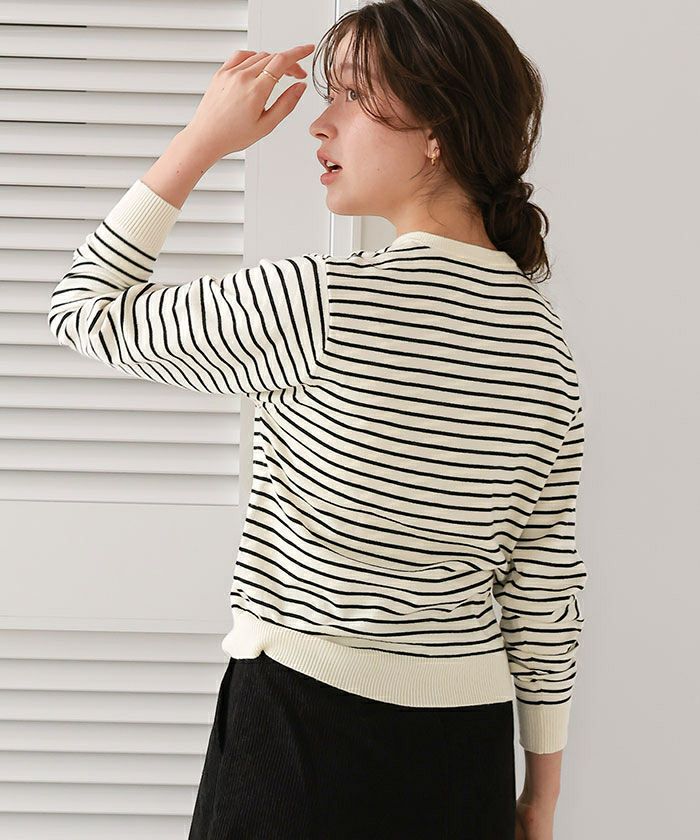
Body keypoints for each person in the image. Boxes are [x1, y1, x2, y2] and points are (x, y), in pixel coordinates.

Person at [47, 2, 587, 838]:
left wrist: (203, 140)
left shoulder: (318, 301)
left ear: (436, 130)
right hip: (468, 753)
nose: (319, 123)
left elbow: (84, 309)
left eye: (352, 96)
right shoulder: (541, 337)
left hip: (303, 737)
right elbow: (543, 579)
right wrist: (539, 792)